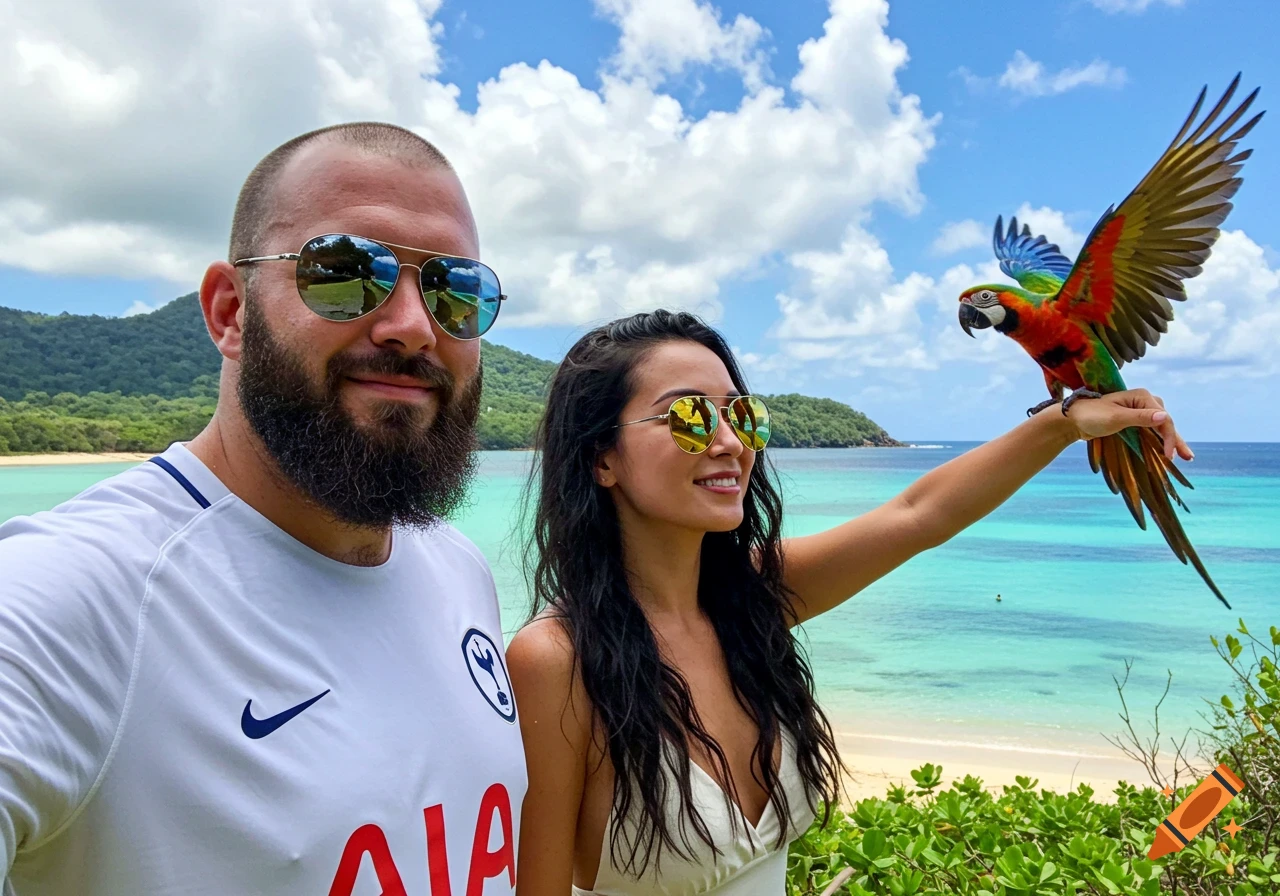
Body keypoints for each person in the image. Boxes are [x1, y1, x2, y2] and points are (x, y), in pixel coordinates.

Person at [0, 123, 525, 895]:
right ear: (228, 312)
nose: (414, 326)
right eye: (347, 271)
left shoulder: (459, 569)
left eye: (456, 289)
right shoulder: (75, 599)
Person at [507, 309, 1191, 895]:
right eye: (689, 415)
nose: (727, 441)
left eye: (741, 414)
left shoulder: (749, 602)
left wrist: (1070, 422)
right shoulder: (557, 662)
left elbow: (917, 515)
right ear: (602, 457)